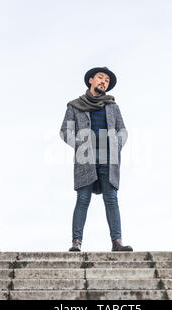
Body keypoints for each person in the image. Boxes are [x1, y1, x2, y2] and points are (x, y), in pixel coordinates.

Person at [59, 67, 133, 252]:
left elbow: (122, 131)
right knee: (82, 199)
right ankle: (76, 242)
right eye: (100, 78)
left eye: (107, 80)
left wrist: (116, 144)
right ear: (91, 80)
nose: (103, 82)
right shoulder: (74, 106)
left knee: (112, 199)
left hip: (109, 159)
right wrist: (79, 145)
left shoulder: (113, 107)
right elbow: (65, 131)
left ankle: (117, 242)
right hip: (85, 159)